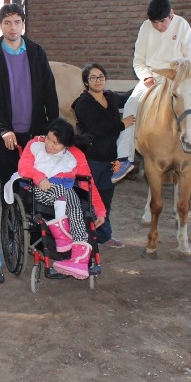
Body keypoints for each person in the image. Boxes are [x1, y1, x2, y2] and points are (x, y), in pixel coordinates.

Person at [111, 0, 191, 182]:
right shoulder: (145, 28)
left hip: (179, 76)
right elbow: (138, 59)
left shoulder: (182, 25)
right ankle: (125, 157)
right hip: (153, 76)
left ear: (171, 14)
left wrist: (185, 76)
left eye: (162, 21)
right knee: (131, 104)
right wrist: (145, 76)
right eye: (155, 22)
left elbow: (190, 57)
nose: (158, 26)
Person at [0, 3, 60, 188]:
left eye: (16, 22)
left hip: (36, 132)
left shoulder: (37, 53)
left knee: (37, 182)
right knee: (10, 184)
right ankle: (10, 216)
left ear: (23, 24)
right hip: (6, 136)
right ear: (0, 25)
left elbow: (49, 91)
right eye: (7, 22)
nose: (12, 27)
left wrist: (53, 126)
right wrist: (3, 129)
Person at [17, 118, 106, 280]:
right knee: (70, 195)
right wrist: (39, 177)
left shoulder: (75, 154)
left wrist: (100, 210)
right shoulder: (34, 145)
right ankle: (79, 252)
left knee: (72, 197)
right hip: (38, 191)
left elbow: (88, 182)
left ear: (66, 145)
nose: (49, 145)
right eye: (49, 139)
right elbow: (24, 167)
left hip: (65, 197)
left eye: (56, 143)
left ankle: (74, 254)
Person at [71, 63, 133, 248]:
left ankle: (104, 236)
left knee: (105, 198)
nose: (98, 81)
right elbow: (97, 129)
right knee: (88, 198)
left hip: (110, 158)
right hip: (91, 158)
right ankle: (83, 237)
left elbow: (128, 98)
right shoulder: (82, 103)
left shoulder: (110, 97)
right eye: (93, 78)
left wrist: (145, 84)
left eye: (101, 77)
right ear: (86, 83)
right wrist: (122, 125)